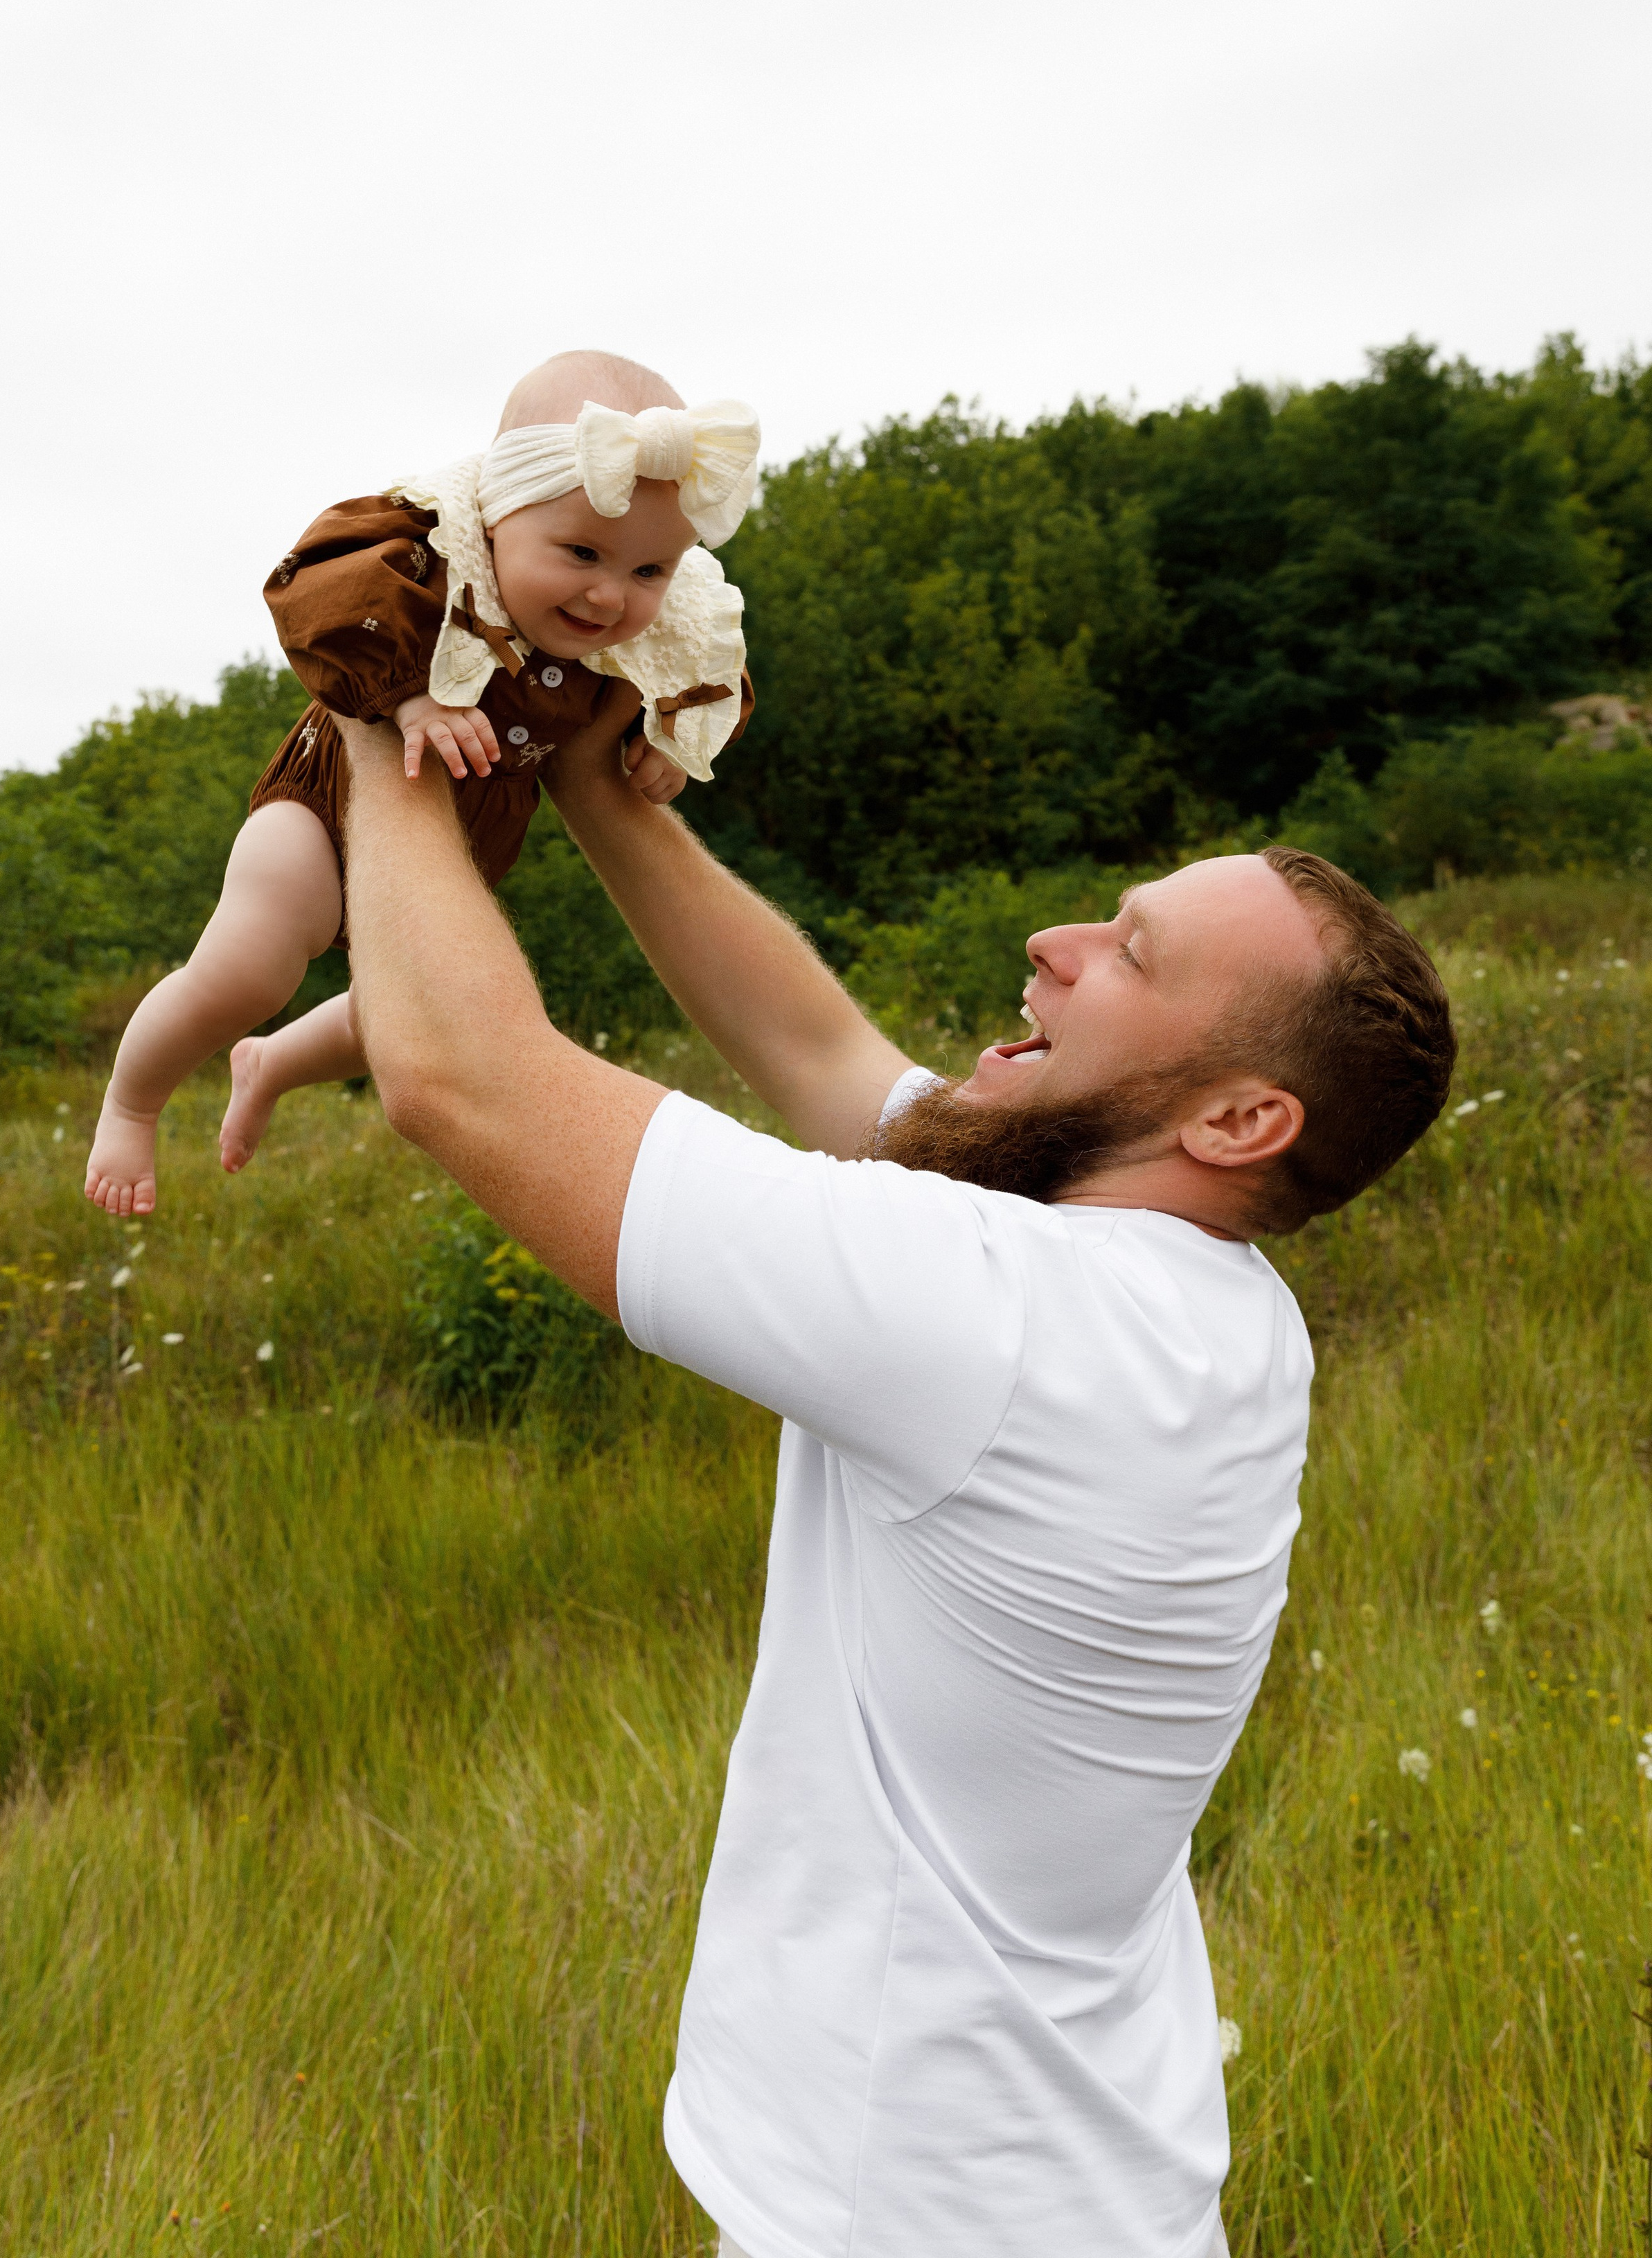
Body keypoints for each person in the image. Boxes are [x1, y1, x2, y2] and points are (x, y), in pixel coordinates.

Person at [328, 687, 1456, 2258]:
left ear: (1238, 1116)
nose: (1057, 941)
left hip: (913, 2214)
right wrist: (596, 781)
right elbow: (816, 1049)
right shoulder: (1200, 1305)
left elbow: (459, 1076)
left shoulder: (1011, 1314)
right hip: (1064, 2194)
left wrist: (380, 706)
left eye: (1132, 953)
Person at [84, 351, 757, 1217]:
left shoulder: (659, 620)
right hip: (327, 807)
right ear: (498, 513)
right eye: (581, 552)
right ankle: (132, 1104)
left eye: (647, 572)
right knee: (251, 969)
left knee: (409, 1021)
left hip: (454, 842)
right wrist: (408, 692)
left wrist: (666, 738)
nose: (607, 596)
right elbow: (316, 583)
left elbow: (709, 665)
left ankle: (271, 1064)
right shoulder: (431, 549)